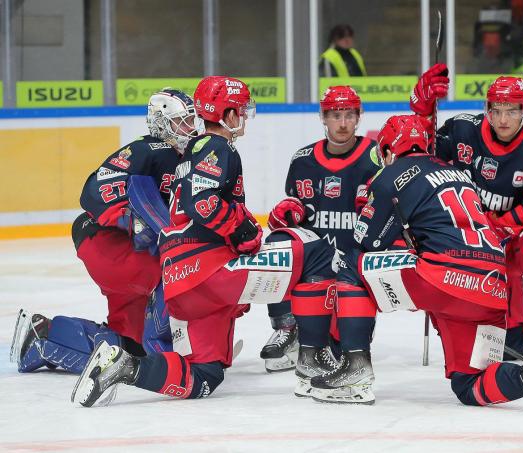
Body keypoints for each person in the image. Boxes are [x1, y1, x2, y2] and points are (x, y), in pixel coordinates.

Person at [70, 76, 340, 407]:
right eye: (239, 111)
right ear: (227, 116)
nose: (243, 117)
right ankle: (311, 355)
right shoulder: (214, 146)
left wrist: (251, 223)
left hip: (179, 281)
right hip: (207, 269)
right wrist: (246, 230)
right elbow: (203, 203)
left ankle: (127, 367)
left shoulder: (185, 154)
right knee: (313, 251)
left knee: (205, 376)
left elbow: (198, 204)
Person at [304, 114, 523, 414]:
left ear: (388, 151)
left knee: (351, 265)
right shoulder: (458, 173)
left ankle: (354, 367)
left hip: (444, 279)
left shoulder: (391, 175)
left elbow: (368, 242)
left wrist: (368, 209)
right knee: (468, 384)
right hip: (491, 286)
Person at [10, 89, 197, 375]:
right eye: (181, 121)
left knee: (128, 349)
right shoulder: (149, 150)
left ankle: (45, 336)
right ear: (161, 123)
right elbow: (95, 189)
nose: (190, 128)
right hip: (107, 242)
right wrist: (130, 219)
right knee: (180, 270)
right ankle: (175, 341)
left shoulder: (189, 155)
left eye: (191, 120)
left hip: (127, 249)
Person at [410, 64, 523, 360]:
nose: (502, 119)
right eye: (496, 110)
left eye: (511, 110)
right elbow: (423, 154)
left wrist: (503, 223)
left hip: (512, 240)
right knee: (507, 346)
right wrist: (422, 110)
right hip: (467, 242)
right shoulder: (462, 130)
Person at [260, 86, 380, 374]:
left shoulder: (375, 157)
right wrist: (284, 214)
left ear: (359, 117)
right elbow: (295, 211)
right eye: (335, 115)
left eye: (349, 115)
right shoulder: (303, 160)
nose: (342, 123)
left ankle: (318, 336)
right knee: (278, 242)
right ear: (323, 117)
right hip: (318, 260)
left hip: (354, 263)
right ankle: (288, 327)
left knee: (340, 349)